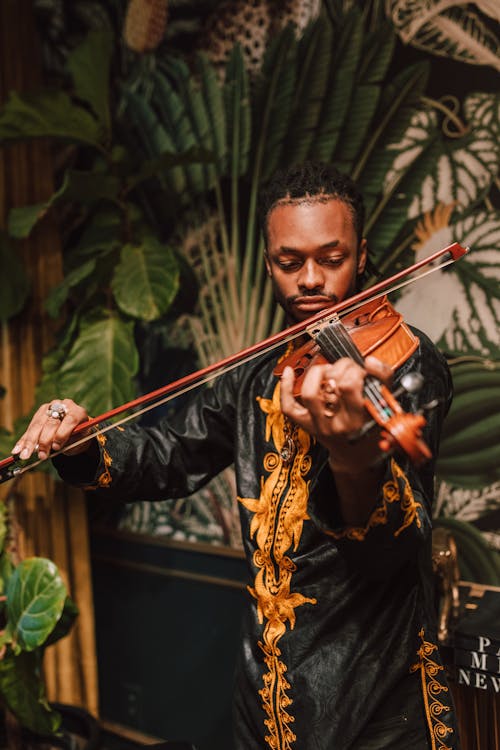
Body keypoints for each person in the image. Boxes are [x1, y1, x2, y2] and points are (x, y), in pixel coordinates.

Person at [13, 162, 459, 749]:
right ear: (269, 260)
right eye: (289, 261)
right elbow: (168, 454)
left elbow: (393, 548)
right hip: (269, 693)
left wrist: (355, 456)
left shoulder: (406, 364)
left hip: (379, 696)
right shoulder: (257, 370)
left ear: (362, 253)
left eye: (332, 259)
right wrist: (81, 441)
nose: (311, 281)